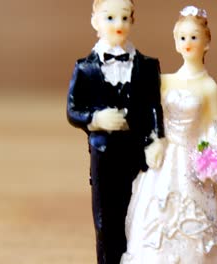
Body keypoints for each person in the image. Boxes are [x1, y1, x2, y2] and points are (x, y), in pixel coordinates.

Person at [121, 6, 217, 264]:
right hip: (165, 154)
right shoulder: (165, 80)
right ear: (176, 42)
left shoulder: (208, 86)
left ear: (207, 42)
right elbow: (149, 114)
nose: (188, 43)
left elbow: (211, 128)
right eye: (182, 37)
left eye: (194, 37)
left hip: (191, 156)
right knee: (156, 207)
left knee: (193, 209)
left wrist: (211, 157)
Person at [66, 0, 165, 263]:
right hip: (104, 154)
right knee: (106, 217)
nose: (118, 24)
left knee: (138, 211)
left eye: (124, 17)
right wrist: (95, 118)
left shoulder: (147, 66)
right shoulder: (85, 68)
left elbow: (155, 107)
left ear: (132, 21)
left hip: (138, 153)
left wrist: (157, 140)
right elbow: (72, 110)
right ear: (95, 22)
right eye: (109, 17)